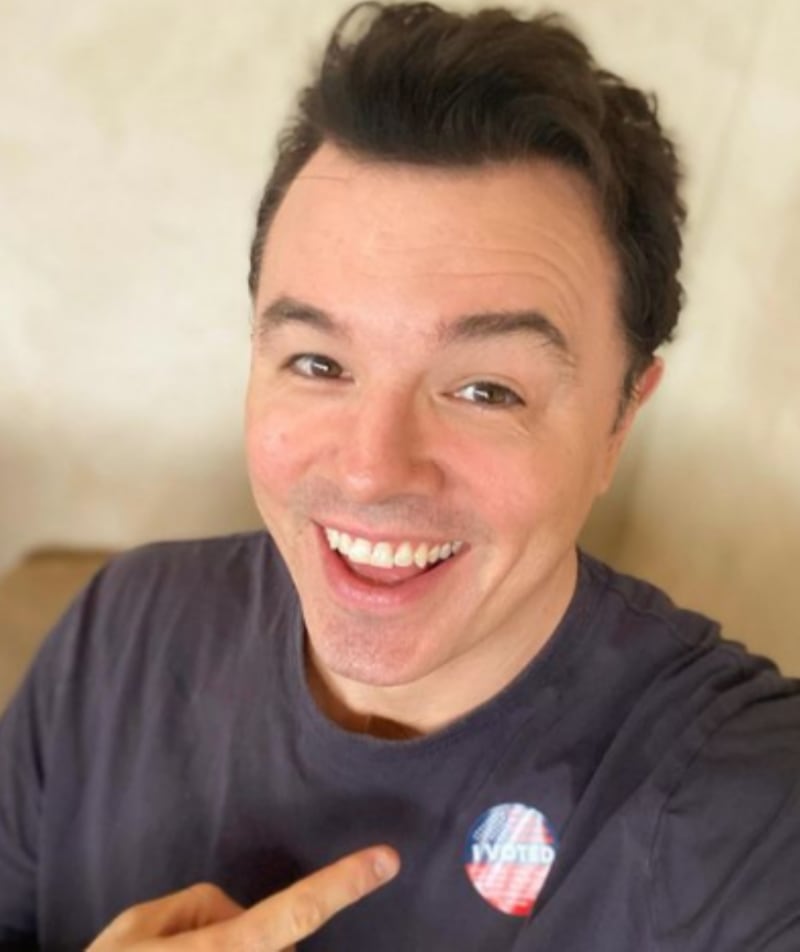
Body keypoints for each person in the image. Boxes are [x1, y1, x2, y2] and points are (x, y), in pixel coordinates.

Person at [1, 2, 799, 949]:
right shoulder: (119, 637)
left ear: (620, 418)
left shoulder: (751, 817)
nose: (371, 470)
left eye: (485, 389)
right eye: (318, 363)